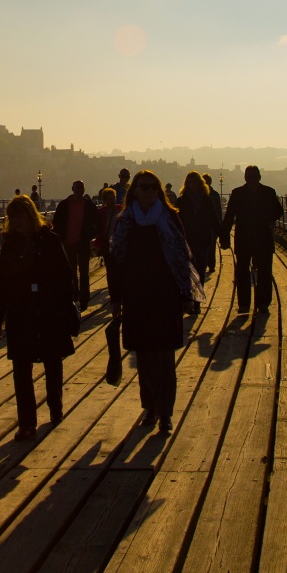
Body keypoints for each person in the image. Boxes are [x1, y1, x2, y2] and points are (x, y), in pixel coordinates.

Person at [109, 170, 201, 434]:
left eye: (153, 187)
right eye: (144, 187)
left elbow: (182, 255)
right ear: (135, 191)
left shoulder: (169, 217)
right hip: (137, 296)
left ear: (158, 191)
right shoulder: (126, 221)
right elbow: (117, 261)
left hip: (165, 295)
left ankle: (164, 412)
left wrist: (186, 294)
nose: (149, 192)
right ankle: (150, 405)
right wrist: (116, 299)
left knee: (163, 357)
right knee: (144, 356)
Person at [0, 194, 78, 442]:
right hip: (21, 311)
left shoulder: (50, 240)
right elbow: (2, 283)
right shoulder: (10, 245)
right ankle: (27, 423)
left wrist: (64, 305)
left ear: (30, 215)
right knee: (21, 368)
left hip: (48, 309)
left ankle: (55, 408)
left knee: (52, 361)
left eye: (20, 215)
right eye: (12, 216)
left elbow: (65, 275)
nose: (16, 220)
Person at [222, 165, 283, 314]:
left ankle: (263, 303)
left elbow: (278, 211)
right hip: (246, 237)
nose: (251, 180)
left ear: (259, 177)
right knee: (242, 271)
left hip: (262, 237)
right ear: (245, 178)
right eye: (249, 178)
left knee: (264, 271)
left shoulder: (268, 192)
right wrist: (224, 237)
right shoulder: (238, 194)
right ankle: (244, 304)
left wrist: (266, 218)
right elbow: (229, 217)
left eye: (253, 177)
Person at [51, 180, 100, 312]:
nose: (79, 190)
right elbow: (56, 223)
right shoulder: (64, 205)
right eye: (77, 187)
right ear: (72, 188)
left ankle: (83, 299)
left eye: (81, 187)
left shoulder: (88, 205)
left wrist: (89, 234)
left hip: (82, 242)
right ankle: (73, 296)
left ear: (84, 189)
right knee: (70, 272)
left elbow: (97, 221)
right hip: (68, 242)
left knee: (84, 272)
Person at [95, 185, 125, 384]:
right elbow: (98, 229)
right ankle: (115, 294)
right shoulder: (102, 212)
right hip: (107, 244)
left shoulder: (120, 210)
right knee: (111, 270)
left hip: (119, 243)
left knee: (115, 271)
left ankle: (116, 294)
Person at [177, 171, 221, 289]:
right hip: (187, 239)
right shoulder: (181, 201)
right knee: (189, 269)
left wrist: (222, 235)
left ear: (199, 184)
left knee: (200, 268)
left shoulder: (206, 200)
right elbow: (176, 221)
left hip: (202, 239)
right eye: (190, 182)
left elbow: (214, 219)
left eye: (194, 182)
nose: (192, 185)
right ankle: (190, 296)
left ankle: (197, 298)